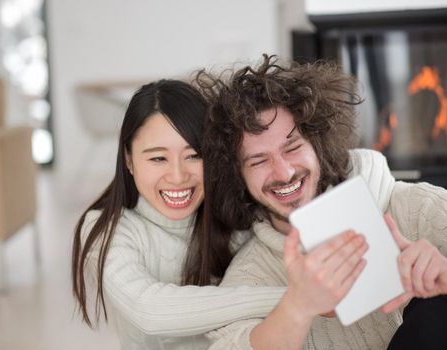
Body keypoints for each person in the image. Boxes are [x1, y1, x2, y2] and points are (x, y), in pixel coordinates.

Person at [193, 55, 447, 349]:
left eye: (292, 147)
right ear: (238, 175)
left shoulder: (416, 207)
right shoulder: (251, 276)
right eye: (259, 161)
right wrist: (297, 306)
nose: (284, 172)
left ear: (317, 145)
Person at [72, 79, 291, 350]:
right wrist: (295, 298)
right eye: (157, 158)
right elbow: (150, 312)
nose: (178, 177)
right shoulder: (106, 229)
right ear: (128, 160)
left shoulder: (236, 218)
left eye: (194, 156)